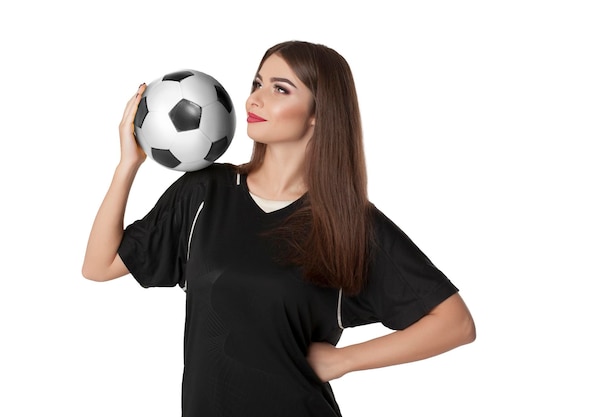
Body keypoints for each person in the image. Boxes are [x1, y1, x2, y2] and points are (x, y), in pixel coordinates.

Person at [82, 40, 476, 417]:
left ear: (318, 113)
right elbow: (99, 266)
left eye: (280, 89)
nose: (255, 98)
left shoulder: (347, 223)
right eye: (257, 83)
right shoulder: (205, 192)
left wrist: (343, 360)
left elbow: (455, 323)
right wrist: (127, 165)